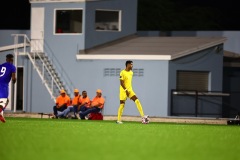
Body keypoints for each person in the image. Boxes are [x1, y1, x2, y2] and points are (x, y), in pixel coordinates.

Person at [0, 54, 17, 123]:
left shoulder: (1, 65)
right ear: (12, 60)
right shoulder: (12, 67)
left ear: (6, 59)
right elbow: (13, 78)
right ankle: (0, 112)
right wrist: (14, 81)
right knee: (5, 101)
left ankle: (1, 114)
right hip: (3, 86)